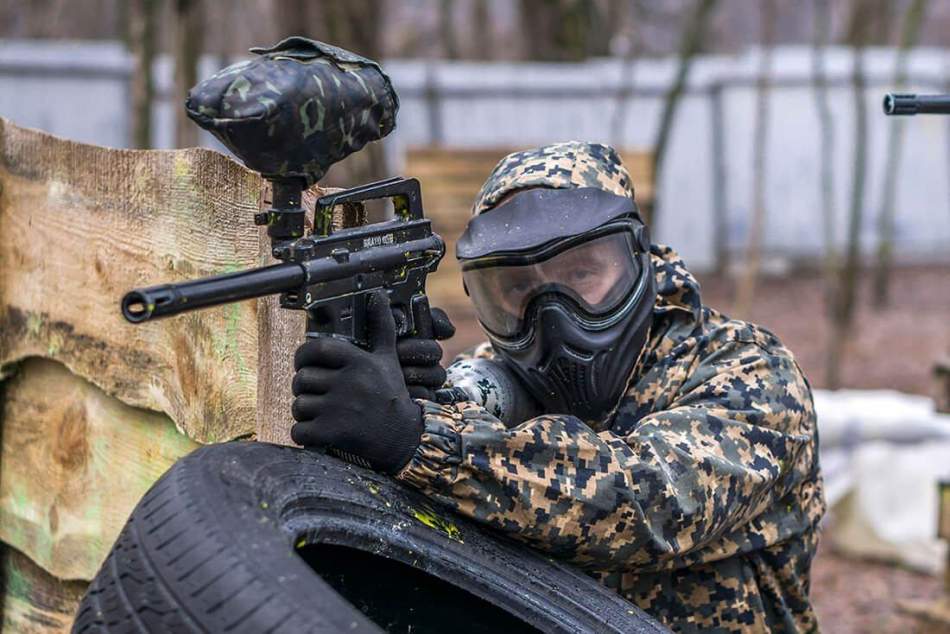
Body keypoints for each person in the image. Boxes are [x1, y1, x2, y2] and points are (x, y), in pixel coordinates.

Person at [290, 141, 825, 633]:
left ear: (640, 259)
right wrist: (409, 398)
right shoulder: (496, 376)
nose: (552, 315)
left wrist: (419, 439)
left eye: (582, 274)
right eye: (518, 288)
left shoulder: (748, 369)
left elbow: (653, 503)